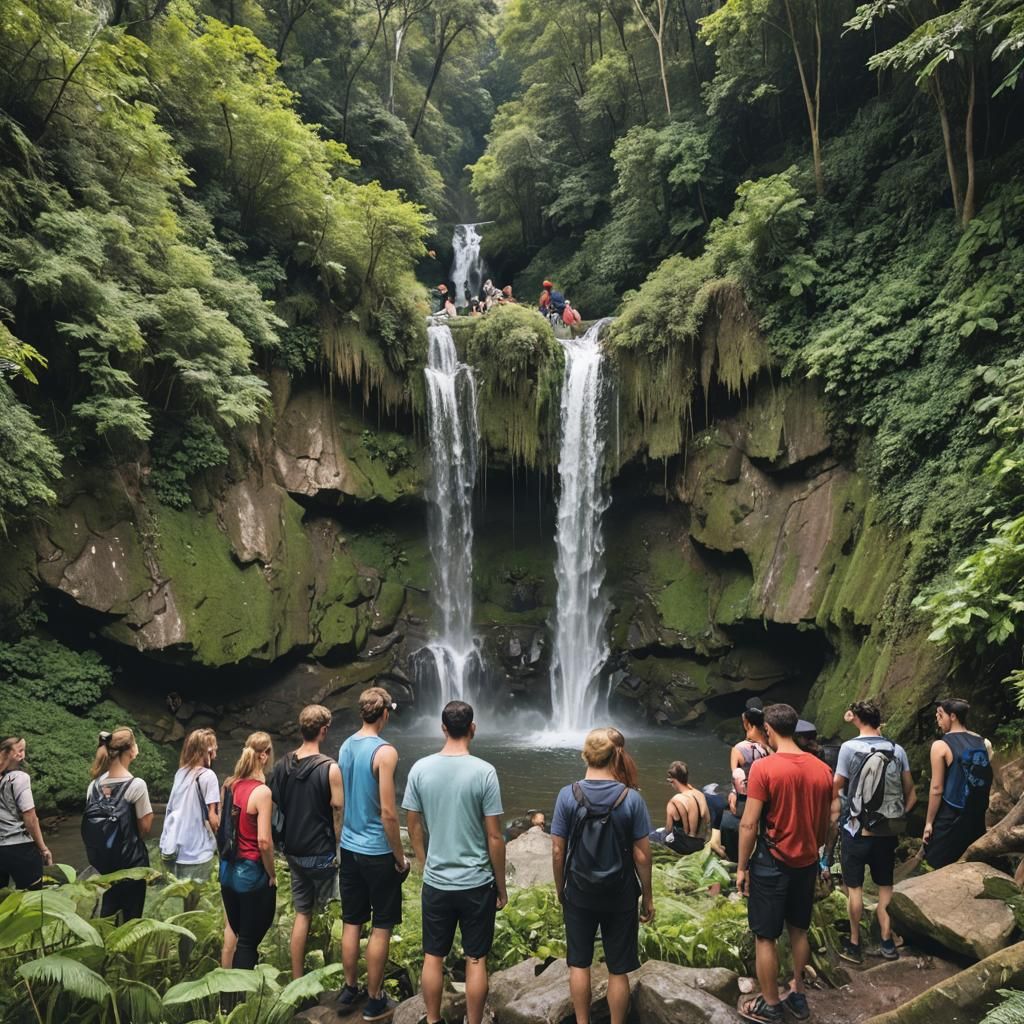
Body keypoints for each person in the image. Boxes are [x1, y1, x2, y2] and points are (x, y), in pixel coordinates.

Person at [403, 701, 506, 1024]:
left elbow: (413, 825)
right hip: (477, 882)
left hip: (437, 881)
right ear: (472, 728)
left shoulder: (420, 769)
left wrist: (424, 863)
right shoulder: (485, 772)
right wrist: (501, 886)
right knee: (476, 959)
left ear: (443, 728)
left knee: (433, 957)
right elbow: (495, 836)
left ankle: (433, 1019)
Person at [736, 704, 834, 1024]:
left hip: (772, 861)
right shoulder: (823, 769)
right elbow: (828, 822)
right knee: (799, 930)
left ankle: (770, 1004)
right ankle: (798, 993)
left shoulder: (764, 768)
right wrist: (817, 853)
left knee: (765, 936)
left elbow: (749, 824)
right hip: (806, 862)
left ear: (768, 730)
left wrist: (742, 867)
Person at [551, 728, 653, 1024]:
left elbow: (557, 851)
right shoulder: (631, 799)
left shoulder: (567, 796)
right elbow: (642, 855)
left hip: (579, 891)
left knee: (579, 963)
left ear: (585, 755)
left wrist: (561, 888)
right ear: (615, 756)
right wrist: (647, 896)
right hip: (621, 893)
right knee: (618, 969)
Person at [337, 688, 409, 1022]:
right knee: (381, 925)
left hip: (349, 848)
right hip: (377, 851)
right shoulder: (385, 752)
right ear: (384, 714)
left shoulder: (345, 746)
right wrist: (400, 857)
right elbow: (389, 813)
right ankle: (374, 999)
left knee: (352, 921)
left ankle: (349, 987)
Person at [833, 700, 916, 964]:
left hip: (857, 830)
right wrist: (898, 817)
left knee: (855, 889)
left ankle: (854, 943)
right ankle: (887, 941)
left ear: (857, 719)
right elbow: (911, 793)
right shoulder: (897, 749)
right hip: (887, 832)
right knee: (885, 887)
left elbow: (836, 785)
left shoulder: (848, 748)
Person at [270, 705, 344, 980]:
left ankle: (298, 979)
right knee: (332, 914)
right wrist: (338, 848)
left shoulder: (282, 765)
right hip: (321, 853)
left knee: (303, 914)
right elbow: (338, 811)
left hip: (293, 851)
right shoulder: (330, 768)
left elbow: (275, 804)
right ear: (324, 730)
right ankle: (331, 975)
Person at [220, 732, 277, 970]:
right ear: (264, 756)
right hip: (251, 875)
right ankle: (242, 991)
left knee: (238, 932)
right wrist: (272, 874)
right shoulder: (262, 792)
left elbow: (223, 828)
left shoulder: (229, 785)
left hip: (227, 873)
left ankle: (229, 988)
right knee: (247, 942)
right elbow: (263, 841)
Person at [85, 727, 153, 922]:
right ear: (130, 750)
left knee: (108, 915)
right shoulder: (136, 785)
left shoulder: (93, 786)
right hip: (132, 865)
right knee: (131, 921)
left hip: (104, 866)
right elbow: (145, 828)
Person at [924, 697, 993, 869]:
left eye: (940, 715)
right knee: (972, 863)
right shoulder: (984, 742)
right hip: (976, 817)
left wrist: (929, 822)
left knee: (938, 862)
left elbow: (937, 788)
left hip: (950, 816)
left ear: (953, 716)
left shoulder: (940, 746)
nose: (937, 719)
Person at [160, 728, 220, 887]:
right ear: (206, 751)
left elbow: (172, 808)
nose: (215, 754)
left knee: (181, 895)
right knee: (197, 896)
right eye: (214, 749)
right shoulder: (209, 776)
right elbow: (213, 818)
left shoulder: (180, 773)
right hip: (197, 853)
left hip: (175, 849)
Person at [720, 698, 771, 861]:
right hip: (767, 797)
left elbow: (736, 776)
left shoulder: (739, 749)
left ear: (747, 723)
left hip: (746, 798)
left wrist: (733, 792)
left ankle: (738, 859)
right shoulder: (770, 746)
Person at [0, 737, 51, 890]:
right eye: (20, 750)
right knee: (33, 895)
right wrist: (43, 848)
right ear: (6, 752)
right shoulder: (19, 778)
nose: (22, 754)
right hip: (20, 848)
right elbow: (30, 817)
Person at [650, 761, 710, 856]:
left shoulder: (674, 801)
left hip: (683, 846)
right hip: (699, 843)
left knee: (652, 835)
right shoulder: (700, 795)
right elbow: (707, 822)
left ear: (672, 781)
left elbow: (668, 829)